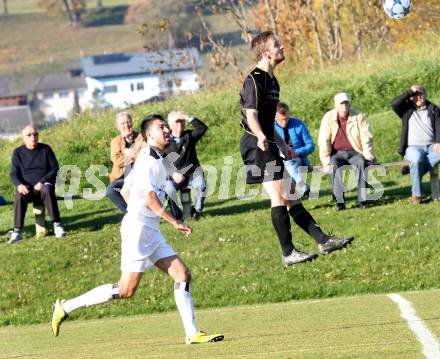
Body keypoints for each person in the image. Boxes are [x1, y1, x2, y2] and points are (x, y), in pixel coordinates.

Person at [51, 115, 224, 345]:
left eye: (166, 126)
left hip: (148, 228)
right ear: (149, 135)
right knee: (126, 290)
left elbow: (126, 192)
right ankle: (65, 306)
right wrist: (174, 221)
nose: (166, 129)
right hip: (140, 231)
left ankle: (192, 333)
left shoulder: (157, 158)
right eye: (161, 127)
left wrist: (139, 212)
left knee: (182, 275)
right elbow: (150, 198)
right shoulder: (149, 161)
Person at [239, 31, 353, 267]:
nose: (282, 47)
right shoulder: (254, 79)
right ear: (265, 52)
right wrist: (261, 136)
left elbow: (269, 119)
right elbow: (251, 114)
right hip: (256, 144)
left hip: (268, 143)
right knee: (280, 197)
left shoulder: (273, 80)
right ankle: (288, 253)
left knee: (291, 196)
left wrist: (282, 145)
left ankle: (323, 241)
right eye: (276, 44)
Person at [9, 125, 66, 244]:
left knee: (47, 189)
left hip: (44, 186)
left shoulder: (46, 149)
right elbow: (14, 173)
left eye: (35, 134)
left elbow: (55, 169)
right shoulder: (18, 152)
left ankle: (57, 225)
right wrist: (19, 185)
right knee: (19, 195)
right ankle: (17, 231)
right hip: (27, 189)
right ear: (23, 138)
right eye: (29, 135)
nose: (33, 137)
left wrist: (43, 181)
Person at [318, 92, 375, 210]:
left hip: (355, 152)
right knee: (333, 165)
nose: (344, 106)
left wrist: (369, 156)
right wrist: (325, 161)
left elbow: (366, 137)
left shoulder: (359, 116)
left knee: (361, 163)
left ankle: (363, 200)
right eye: (342, 103)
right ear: (336, 105)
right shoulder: (328, 117)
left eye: (346, 103)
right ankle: (340, 202)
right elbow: (324, 140)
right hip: (337, 154)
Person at [391, 85, 440, 204]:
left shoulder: (433, 108)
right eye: (415, 95)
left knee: (419, 163)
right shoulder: (406, 110)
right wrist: (410, 92)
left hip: (431, 146)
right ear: (411, 97)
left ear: (425, 94)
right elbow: (394, 104)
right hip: (413, 147)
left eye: (421, 93)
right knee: (417, 159)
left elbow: (439, 126)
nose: (419, 97)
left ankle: (412, 169)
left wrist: (438, 142)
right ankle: (417, 196)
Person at [165, 111, 208, 221]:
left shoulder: (189, 136)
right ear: (170, 125)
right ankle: (178, 215)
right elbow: (161, 161)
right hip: (174, 176)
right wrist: (173, 173)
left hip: (192, 173)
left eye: (182, 122)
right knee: (169, 189)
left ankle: (196, 211)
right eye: (176, 122)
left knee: (202, 185)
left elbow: (202, 128)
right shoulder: (165, 140)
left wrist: (187, 117)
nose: (180, 124)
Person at [274, 102, 314, 198]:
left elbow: (310, 145)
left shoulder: (298, 124)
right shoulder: (270, 128)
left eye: (287, 119)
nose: (285, 122)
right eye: (281, 120)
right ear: (275, 116)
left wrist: (297, 152)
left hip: (297, 158)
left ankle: (303, 188)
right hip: (278, 159)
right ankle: (302, 189)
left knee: (289, 162)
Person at [106, 112, 144, 214]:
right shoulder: (115, 142)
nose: (126, 125)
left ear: (132, 122)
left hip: (139, 177)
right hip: (121, 178)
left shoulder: (141, 137)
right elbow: (117, 161)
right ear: (118, 126)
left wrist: (127, 154)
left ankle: (142, 214)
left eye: (128, 122)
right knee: (110, 190)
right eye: (123, 123)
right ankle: (130, 214)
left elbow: (144, 155)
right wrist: (132, 154)